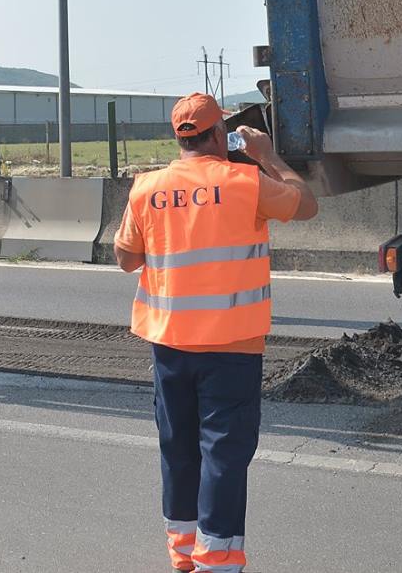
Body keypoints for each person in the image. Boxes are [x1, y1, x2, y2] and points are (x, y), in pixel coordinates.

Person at [115, 93, 318, 573]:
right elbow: (306, 205)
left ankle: (183, 553)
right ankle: (219, 560)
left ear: (179, 137)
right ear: (217, 134)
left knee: (178, 448)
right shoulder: (246, 181)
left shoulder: (147, 188)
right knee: (223, 453)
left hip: (169, 344)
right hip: (232, 347)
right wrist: (266, 155)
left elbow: (127, 259)